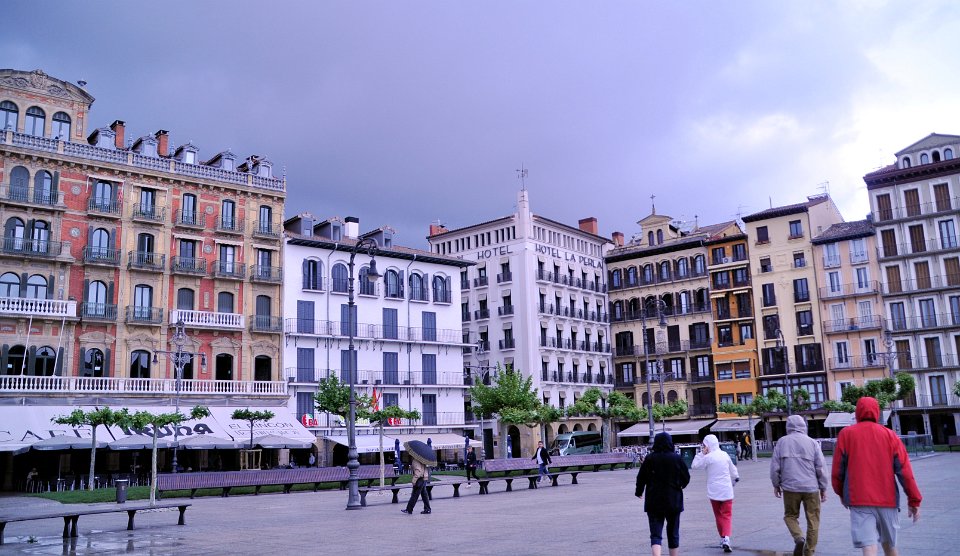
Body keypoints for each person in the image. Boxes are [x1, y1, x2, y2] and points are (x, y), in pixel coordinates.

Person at [831, 397, 921, 556]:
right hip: (888, 500)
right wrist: (914, 500)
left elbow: (837, 471)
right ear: (877, 412)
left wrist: (842, 494)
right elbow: (905, 471)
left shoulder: (846, 434)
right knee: (890, 546)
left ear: (857, 412)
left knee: (868, 546)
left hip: (859, 499)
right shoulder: (890, 435)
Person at [771, 415, 828, 556]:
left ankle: (798, 537)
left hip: (790, 487)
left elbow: (775, 467)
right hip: (811, 487)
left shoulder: (781, 442)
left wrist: (776, 485)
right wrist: (823, 487)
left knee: (790, 516)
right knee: (813, 520)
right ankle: (809, 552)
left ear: (788, 427)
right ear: (804, 426)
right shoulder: (812, 443)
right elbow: (821, 467)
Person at [635, 432, 690, 556]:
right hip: (673, 500)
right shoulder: (676, 458)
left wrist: (639, 491)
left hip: (654, 500)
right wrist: (680, 485)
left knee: (655, 534)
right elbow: (686, 477)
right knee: (673, 532)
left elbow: (641, 477)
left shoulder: (650, 458)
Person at [692, 434, 739, 553]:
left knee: (718, 515)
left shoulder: (708, 457)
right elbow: (733, 469)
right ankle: (726, 537)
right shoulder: (724, 455)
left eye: (704, 445)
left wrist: (701, 454)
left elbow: (694, 465)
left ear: (708, 445)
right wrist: (735, 478)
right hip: (727, 490)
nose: (704, 447)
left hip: (714, 491)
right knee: (727, 515)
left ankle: (723, 537)